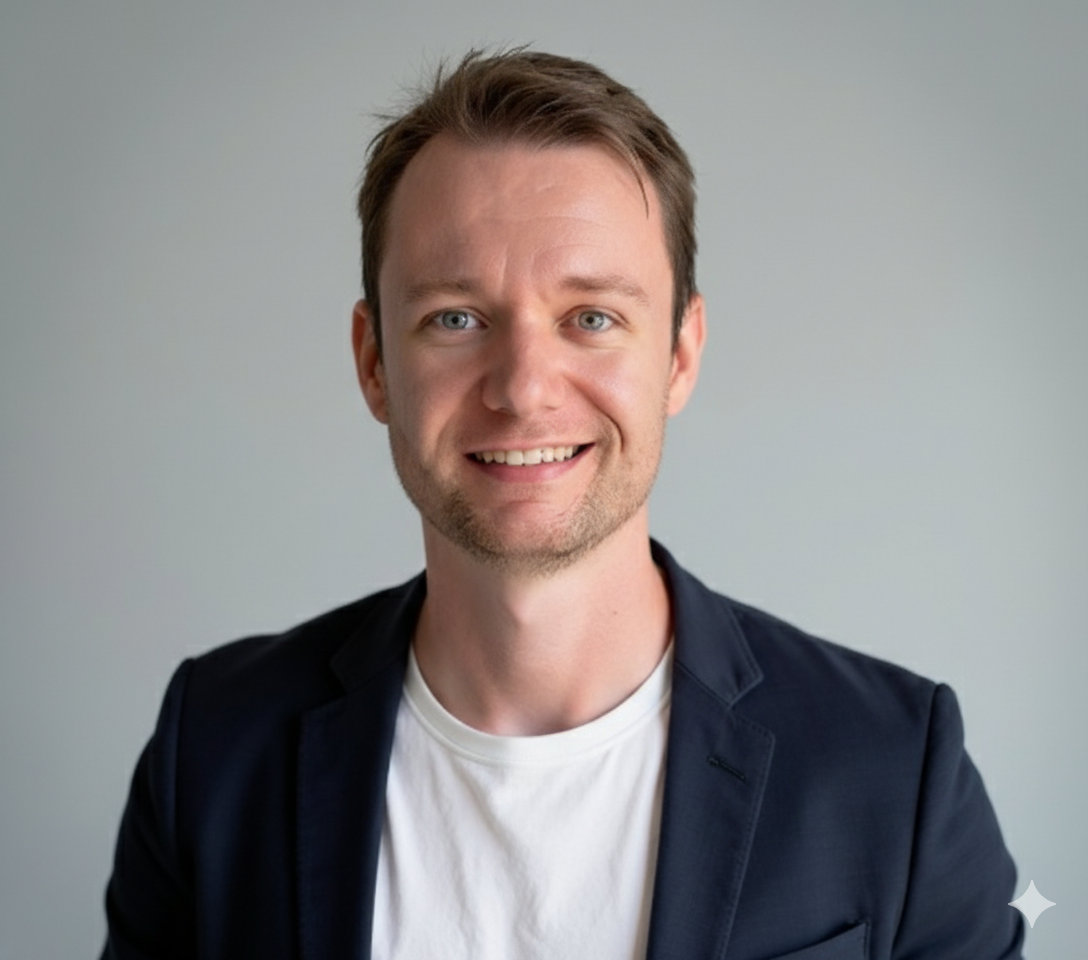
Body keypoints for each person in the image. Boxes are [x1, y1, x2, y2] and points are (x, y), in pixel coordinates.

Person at [100, 49, 1024, 960]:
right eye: (455, 318)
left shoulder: (895, 768)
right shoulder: (214, 751)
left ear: (681, 353)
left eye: (592, 318)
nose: (523, 388)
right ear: (374, 360)